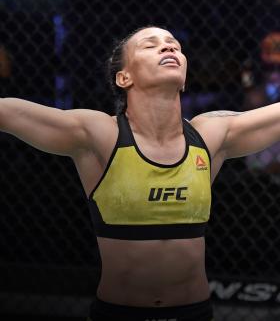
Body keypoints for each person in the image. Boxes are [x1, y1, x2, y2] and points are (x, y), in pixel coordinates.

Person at [1, 26, 280, 321]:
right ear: (124, 77)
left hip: (193, 313)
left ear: (184, 76)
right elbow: (8, 113)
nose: (169, 48)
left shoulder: (210, 134)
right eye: (151, 45)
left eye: (174, 44)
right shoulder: (100, 134)